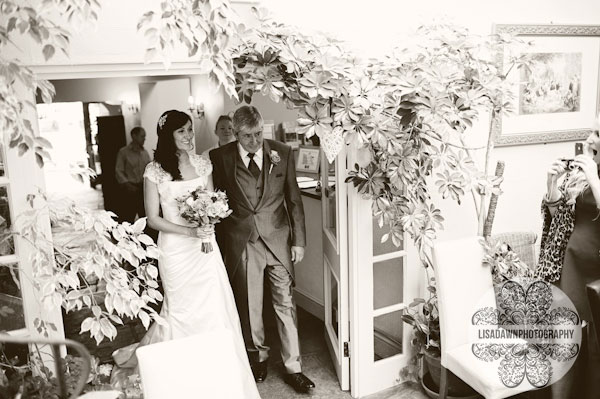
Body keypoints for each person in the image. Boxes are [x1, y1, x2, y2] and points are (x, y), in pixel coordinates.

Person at [112, 110, 260, 399]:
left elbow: (210, 202)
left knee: (215, 307)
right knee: (180, 310)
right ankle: (179, 379)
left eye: (190, 130)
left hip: (205, 249)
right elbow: (153, 219)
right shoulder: (154, 171)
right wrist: (190, 232)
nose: (189, 136)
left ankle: (221, 377)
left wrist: (209, 220)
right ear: (168, 136)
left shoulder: (203, 164)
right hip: (176, 250)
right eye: (182, 132)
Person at [209, 105, 315, 394]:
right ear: (235, 132)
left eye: (258, 134)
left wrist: (299, 241)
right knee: (250, 306)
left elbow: (294, 200)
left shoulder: (281, 152)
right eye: (247, 136)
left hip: (279, 240)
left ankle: (294, 367)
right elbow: (216, 201)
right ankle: (259, 359)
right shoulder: (219, 157)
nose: (255, 141)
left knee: (285, 306)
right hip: (244, 242)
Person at [537, 117, 600, 398]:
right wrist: (552, 184)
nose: (590, 138)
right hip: (569, 269)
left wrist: (594, 179)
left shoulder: (591, 175)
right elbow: (557, 219)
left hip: (595, 274)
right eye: (591, 131)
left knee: (593, 349)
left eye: (598, 134)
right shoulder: (578, 173)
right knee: (563, 343)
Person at [115, 127, 151, 223]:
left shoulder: (145, 153)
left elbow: (150, 170)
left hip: (142, 189)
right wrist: (127, 185)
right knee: (127, 219)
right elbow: (119, 170)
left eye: (145, 136)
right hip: (129, 190)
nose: (144, 139)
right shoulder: (123, 152)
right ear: (134, 136)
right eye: (142, 136)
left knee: (146, 218)